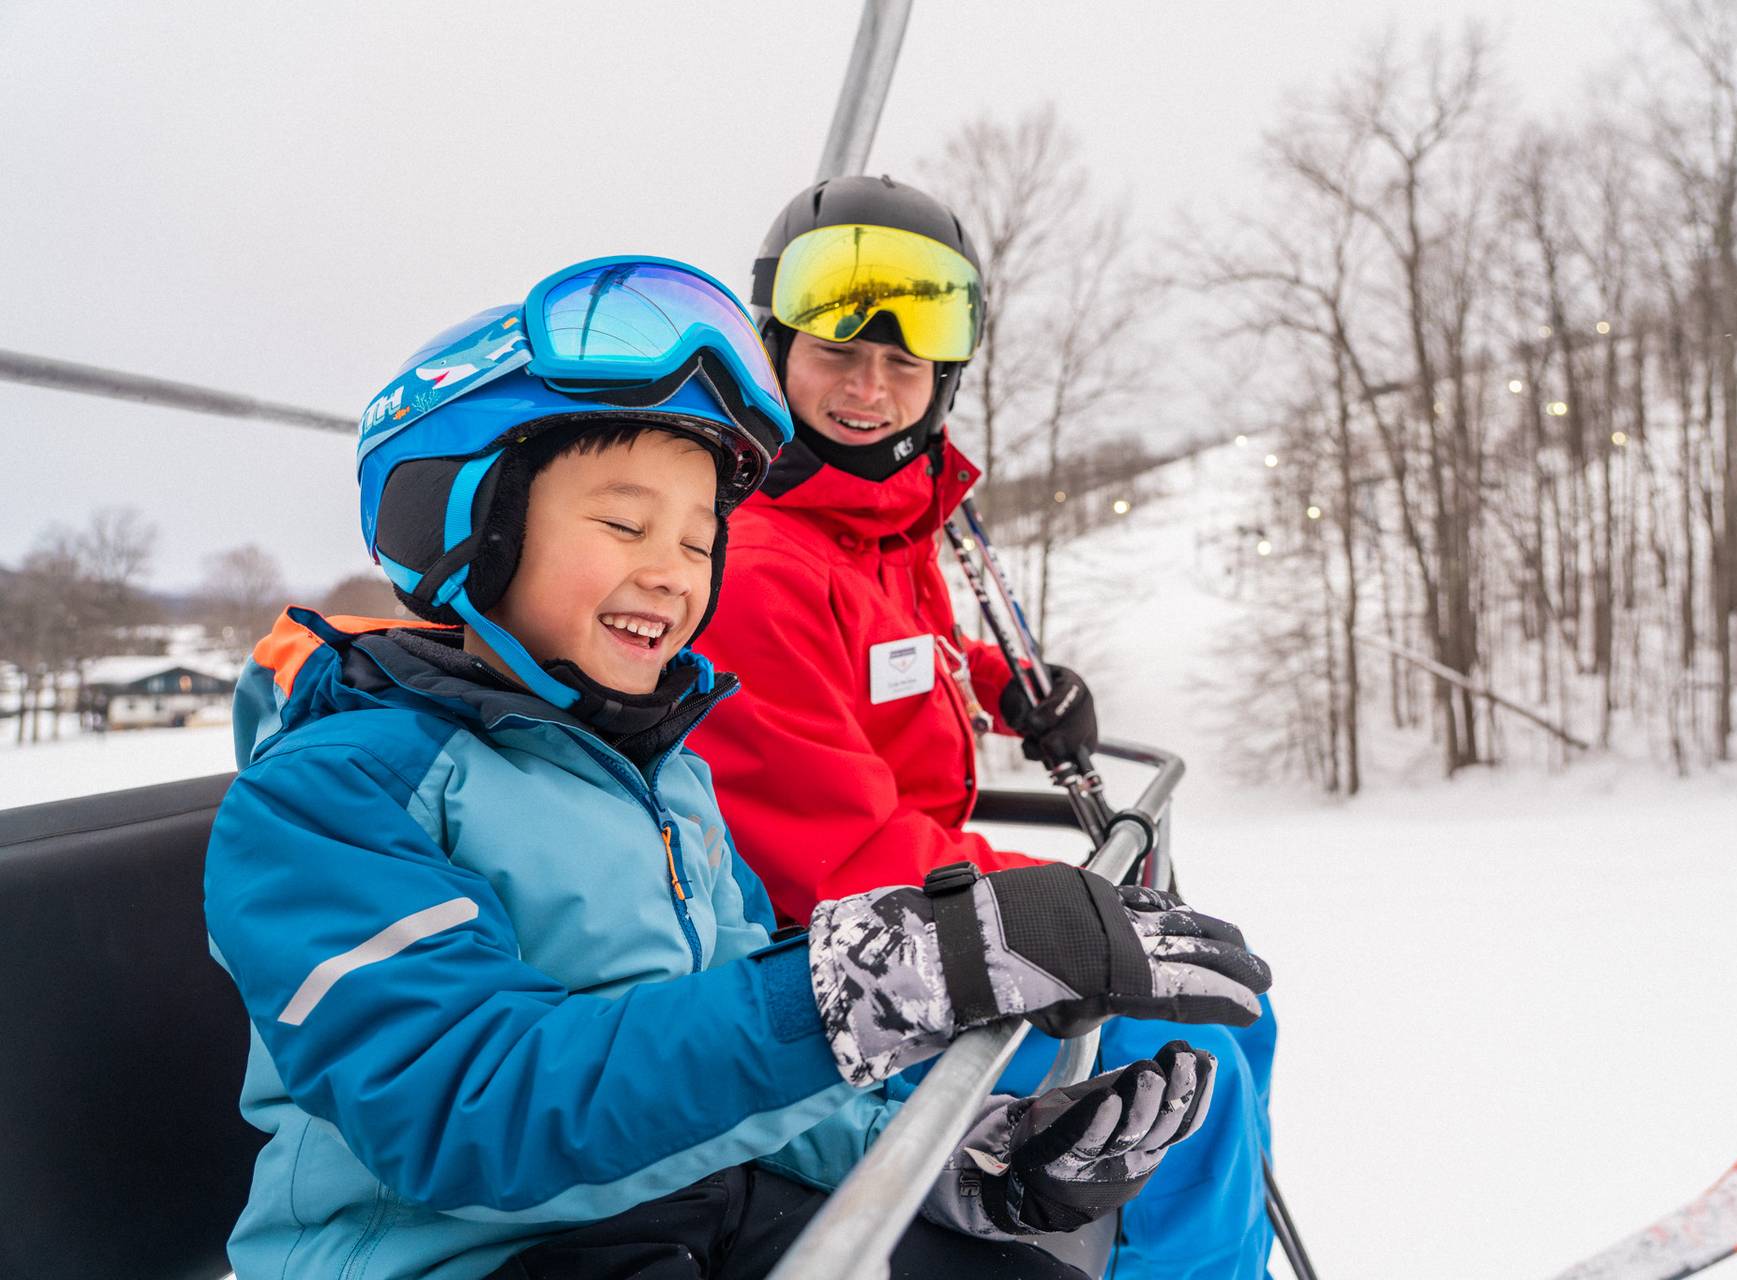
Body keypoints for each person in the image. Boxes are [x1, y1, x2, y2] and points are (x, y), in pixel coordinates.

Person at [201, 257, 1273, 1280]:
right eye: (625, 522)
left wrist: (966, 1164)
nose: (673, 572)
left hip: (692, 1208)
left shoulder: (664, 779)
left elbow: (751, 1080)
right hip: (469, 1255)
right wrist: (888, 975)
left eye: (699, 537)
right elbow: (467, 1109)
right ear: (467, 524)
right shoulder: (332, 796)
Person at [695, 178, 1280, 1280]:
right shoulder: (764, 563)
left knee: (1229, 1015)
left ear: (942, 381)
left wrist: (1011, 686)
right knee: (1190, 1055)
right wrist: (1063, 909)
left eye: (903, 364)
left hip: (916, 900)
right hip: (842, 964)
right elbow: (835, 854)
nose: (870, 389)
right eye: (837, 354)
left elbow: (899, 656)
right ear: (776, 354)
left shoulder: (875, 527)